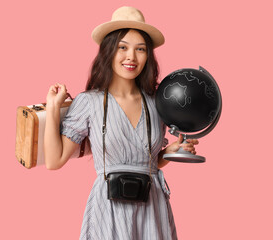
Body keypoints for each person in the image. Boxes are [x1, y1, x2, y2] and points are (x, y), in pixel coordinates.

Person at [44, 6, 199, 240]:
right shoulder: (90, 102)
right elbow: (54, 161)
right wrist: (53, 107)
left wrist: (170, 152)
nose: (131, 57)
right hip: (109, 210)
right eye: (123, 47)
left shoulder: (157, 103)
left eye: (140, 49)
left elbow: (147, 162)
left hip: (152, 206)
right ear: (108, 51)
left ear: (148, 56)